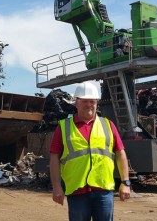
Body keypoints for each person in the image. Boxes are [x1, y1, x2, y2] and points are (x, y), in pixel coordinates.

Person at [49, 81, 131, 221]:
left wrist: (125, 182)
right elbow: (54, 158)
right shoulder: (63, 127)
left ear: (97, 103)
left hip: (103, 190)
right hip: (77, 191)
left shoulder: (108, 125)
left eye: (92, 101)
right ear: (76, 103)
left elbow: (120, 153)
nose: (89, 105)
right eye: (84, 101)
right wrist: (56, 187)